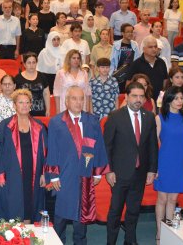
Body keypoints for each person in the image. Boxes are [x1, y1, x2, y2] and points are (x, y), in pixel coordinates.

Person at [46, 85, 108, 244]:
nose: (79, 102)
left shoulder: (92, 121)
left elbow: (99, 146)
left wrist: (97, 172)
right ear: (66, 101)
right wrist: (53, 176)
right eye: (74, 98)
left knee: (81, 216)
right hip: (64, 175)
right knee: (60, 216)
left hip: (85, 175)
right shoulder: (56, 122)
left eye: (82, 98)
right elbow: (52, 149)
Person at [104, 81, 158, 245]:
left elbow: (152, 146)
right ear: (126, 97)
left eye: (141, 96)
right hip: (119, 174)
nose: (138, 99)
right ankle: (111, 242)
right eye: (134, 96)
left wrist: (152, 170)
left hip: (140, 174)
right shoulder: (114, 116)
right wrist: (108, 170)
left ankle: (130, 240)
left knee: (134, 211)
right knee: (115, 211)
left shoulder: (149, 117)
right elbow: (107, 146)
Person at [0, 88, 47, 223]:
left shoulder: (39, 126)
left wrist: (44, 173)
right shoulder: (5, 126)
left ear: (31, 105)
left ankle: (26, 236)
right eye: (21, 102)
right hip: (11, 174)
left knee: (30, 205)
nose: (24, 105)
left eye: (27, 102)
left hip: (33, 172)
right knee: (13, 207)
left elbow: (46, 151)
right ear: (14, 105)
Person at [153, 86, 183, 240]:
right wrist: (154, 166)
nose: (179, 101)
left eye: (181, 98)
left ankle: (168, 230)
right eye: (176, 98)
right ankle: (159, 232)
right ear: (168, 99)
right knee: (162, 198)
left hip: (180, 161)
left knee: (173, 199)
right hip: (164, 161)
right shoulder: (160, 117)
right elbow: (154, 143)